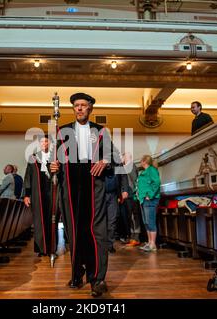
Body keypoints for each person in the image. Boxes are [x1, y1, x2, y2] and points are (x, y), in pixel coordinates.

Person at [50, 92, 122, 297]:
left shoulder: (101, 131)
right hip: (70, 184)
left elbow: (115, 156)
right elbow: (55, 159)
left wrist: (104, 161)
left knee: (96, 232)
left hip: (93, 183)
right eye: (76, 105)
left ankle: (97, 278)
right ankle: (76, 272)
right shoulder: (62, 130)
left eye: (83, 105)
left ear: (90, 108)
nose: (79, 108)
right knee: (74, 232)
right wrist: (53, 166)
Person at [24, 135, 57, 257]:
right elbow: (28, 176)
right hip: (37, 192)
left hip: (52, 191)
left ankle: (51, 248)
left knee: (52, 219)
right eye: (42, 142)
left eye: (46, 141)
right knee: (39, 221)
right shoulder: (33, 158)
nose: (44, 143)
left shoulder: (56, 157)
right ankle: (41, 248)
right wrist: (26, 194)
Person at [136, 155, 161, 252]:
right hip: (143, 200)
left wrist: (150, 195)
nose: (140, 162)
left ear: (144, 161)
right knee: (146, 222)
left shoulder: (152, 170)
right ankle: (149, 242)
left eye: (141, 160)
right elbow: (140, 185)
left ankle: (153, 244)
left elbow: (157, 182)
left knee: (150, 222)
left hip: (150, 200)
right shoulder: (144, 172)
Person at [121, 152, 143, 247]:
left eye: (123, 156)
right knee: (130, 217)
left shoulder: (131, 166)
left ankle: (136, 237)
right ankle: (132, 236)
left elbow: (135, 181)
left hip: (132, 195)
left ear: (127, 157)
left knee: (134, 216)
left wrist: (135, 194)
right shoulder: (125, 167)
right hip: (127, 196)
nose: (121, 158)